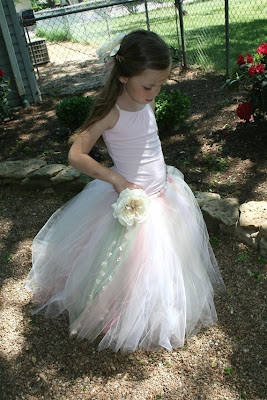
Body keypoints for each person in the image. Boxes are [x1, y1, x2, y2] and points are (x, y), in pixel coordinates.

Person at [26, 30, 225, 352]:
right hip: (134, 202)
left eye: (160, 85)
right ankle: (112, 312)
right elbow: (76, 155)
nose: (154, 92)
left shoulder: (143, 98)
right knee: (123, 262)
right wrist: (116, 181)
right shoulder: (111, 112)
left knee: (164, 262)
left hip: (164, 192)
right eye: (148, 86)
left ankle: (154, 308)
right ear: (122, 76)